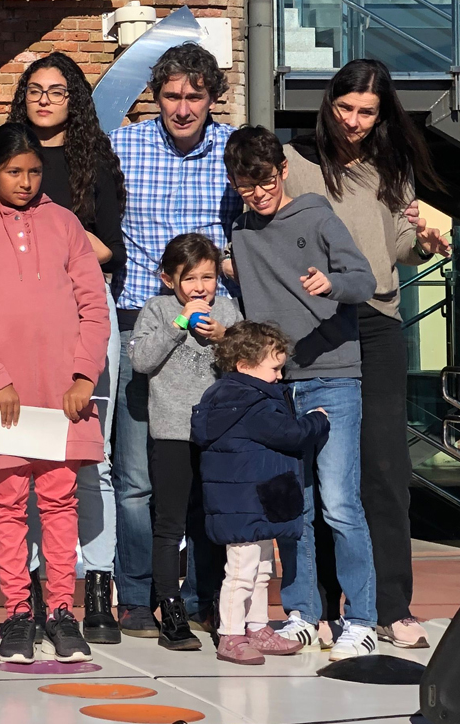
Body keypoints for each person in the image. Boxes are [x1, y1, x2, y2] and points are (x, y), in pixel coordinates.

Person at [284, 59, 450, 650]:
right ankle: (322, 605)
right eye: (345, 108)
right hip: (316, 323)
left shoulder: (394, 164)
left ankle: (391, 605)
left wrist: (423, 243)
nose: (353, 122)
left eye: (367, 112)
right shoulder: (296, 161)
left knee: (384, 468)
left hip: (377, 322)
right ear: (329, 103)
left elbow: (398, 246)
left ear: (383, 116)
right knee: (325, 467)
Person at [0, 52, 127, 644]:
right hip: (11, 348)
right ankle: (26, 596)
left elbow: (108, 246)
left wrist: (61, 242)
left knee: (88, 467)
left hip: (76, 329)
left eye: (56, 90)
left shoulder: (90, 163)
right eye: (34, 89)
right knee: (15, 480)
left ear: (73, 98)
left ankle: (91, 590)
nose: (43, 99)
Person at [0, 121, 109, 667]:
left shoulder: (63, 224)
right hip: (2, 397)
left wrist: (84, 376)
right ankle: (17, 611)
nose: (26, 181)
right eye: (14, 171)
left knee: (61, 500)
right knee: (8, 503)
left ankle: (61, 610)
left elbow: (93, 304)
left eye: (34, 171)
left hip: (62, 395)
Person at [224, 126, 380, 661]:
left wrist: (331, 285)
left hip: (332, 374)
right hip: (274, 385)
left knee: (339, 504)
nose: (258, 194)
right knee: (294, 506)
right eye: (246, 186)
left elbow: (366, 279)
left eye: (264, 181)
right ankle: (302, 614)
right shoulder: (240, 232)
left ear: (283, 171)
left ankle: (361, 619)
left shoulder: (316, 216)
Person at [109, 42, 240, 638]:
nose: (182, 108)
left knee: (205, 472)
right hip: (141, 318)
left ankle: (205, 595)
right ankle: (137, 596)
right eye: (171, 96)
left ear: (212, 98)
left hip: (211, 327)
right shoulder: (125, 145)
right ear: (154, 97)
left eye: (194, 96)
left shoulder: (232, 151)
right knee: (136, 474)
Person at [191, 321, 328, 665]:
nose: (281, 376)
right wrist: (317, 420)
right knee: (243, 569)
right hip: (246, 502)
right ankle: (232, 634)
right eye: (275, 367)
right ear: (244, 366)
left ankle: (257, 626)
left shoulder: (241, 396)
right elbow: (290, 434)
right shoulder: (250, 401)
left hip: (258, 499)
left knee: (263, 566)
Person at [127, 233, 238, 652]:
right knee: (169, 523)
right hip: (172, 432)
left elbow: (248, 360)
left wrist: (225, 336)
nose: (199, 287)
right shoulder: (157, 310)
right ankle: (169, 609)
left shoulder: (226, 310)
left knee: (208, 522)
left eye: (207, 277)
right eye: (189, 278)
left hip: (216, 433)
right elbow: (140, 360)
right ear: (168, 279)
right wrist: (178, 325)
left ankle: (203, 602)